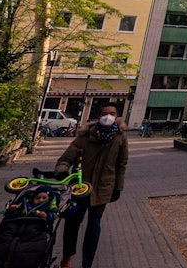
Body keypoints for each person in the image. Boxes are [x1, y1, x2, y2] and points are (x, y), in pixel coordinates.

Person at [54, 105, 128, 268]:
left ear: (117, 117)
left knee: (94, 226)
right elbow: (66, 157)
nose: (108, 116)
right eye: (105, 114)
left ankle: (87, 263)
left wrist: (118, 187)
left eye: (112, 114)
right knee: (72, 222)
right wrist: (62, 170)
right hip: (80, 188)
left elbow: (121, 164)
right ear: (99, 116)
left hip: (103, 188)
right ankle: (67, 256)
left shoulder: (120, 138)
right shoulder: (85, 135)